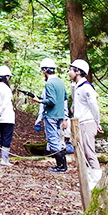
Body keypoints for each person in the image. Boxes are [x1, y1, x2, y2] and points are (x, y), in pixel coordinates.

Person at [69, 59, 102, 190]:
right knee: (81, 152)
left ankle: (96, 181)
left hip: (87, 123)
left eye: (71, 70)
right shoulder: (76, 87)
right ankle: (87, 180)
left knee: (89, 152)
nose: (69, 72)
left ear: (78, 72)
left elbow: (94, 107)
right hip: (79, 123)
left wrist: (97, 122)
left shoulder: (86, 88)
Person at [31, 57, 68, 172]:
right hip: (60, 115)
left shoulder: (49, 84)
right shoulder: (60, 82)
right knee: (56, 139)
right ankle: (62, 165)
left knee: (53, 140)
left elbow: (51, 101)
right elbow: (65, 97)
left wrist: (40, 101)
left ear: (45, 71)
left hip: (51, 115)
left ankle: (62, 166)